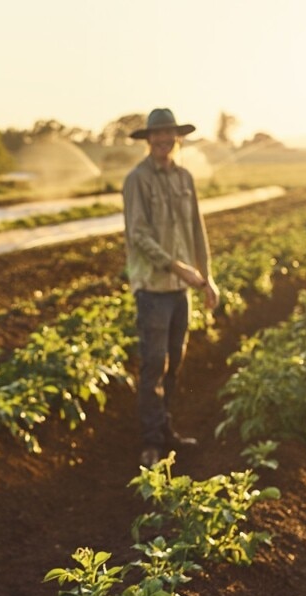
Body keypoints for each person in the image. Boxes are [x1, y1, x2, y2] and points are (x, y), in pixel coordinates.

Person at [122, 108, 220, 468]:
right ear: (148, 139)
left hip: (181, 292)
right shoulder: (138, 179)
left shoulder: (184, 178)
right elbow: (138, 235)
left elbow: (196, 230)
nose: (164, 140)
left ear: (177, 137)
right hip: (153, 288)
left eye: (169, 134)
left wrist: (206, 277)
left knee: (174, 364)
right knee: (153, 365)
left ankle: (165, 430)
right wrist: (178, 267)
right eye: (157, 134)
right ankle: (150, 442)